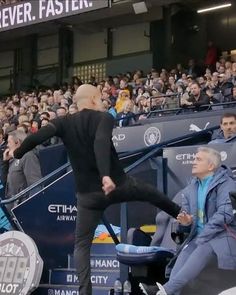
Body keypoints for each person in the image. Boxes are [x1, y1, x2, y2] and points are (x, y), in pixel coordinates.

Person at [9, 84, 181, 295]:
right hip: (117, 185)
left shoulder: (63, 122)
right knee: (151, 193)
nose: (103, 102)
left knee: (81, 245)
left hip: (88, 197)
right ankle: (181, 214)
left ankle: (85, 293)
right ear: (92, 100)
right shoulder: (104, 118)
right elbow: (100, 141)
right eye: (100, 99)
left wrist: (17, 154)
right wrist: (105, 176)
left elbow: (37, 137)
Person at [140, 146, 236, 295]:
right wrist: (185, 224)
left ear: (210, 165)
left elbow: (225, 214)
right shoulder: (190, 188)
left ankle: (165, 290)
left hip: (222, 238)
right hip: (197, 239)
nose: (193, 162)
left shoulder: (227, 183)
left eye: (198, 159)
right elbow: (185, 225)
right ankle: (167, 291)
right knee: (185, 252)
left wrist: (203, 236)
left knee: (202, 247)